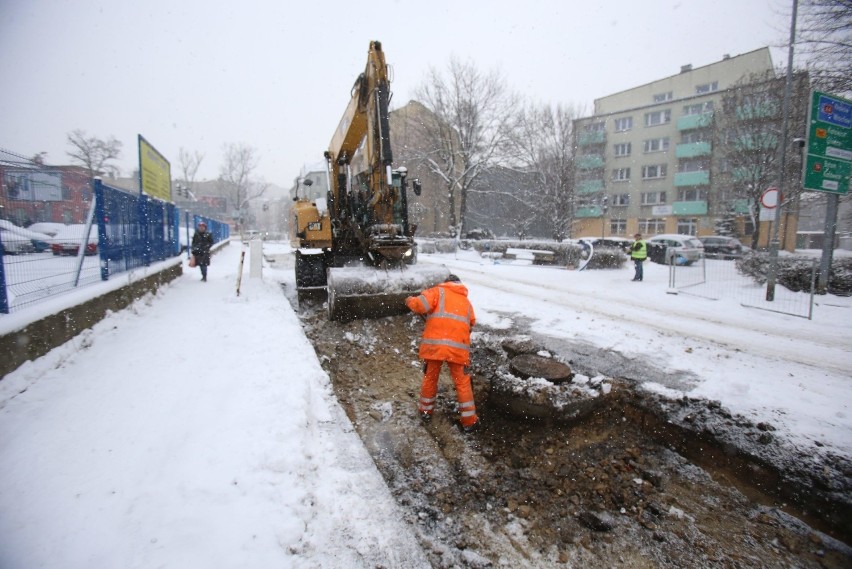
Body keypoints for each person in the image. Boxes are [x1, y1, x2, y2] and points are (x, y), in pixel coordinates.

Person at [405, 274, 479, 433]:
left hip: (435, 348)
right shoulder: (467, 303)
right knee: (462, 383)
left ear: (446, 283)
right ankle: (469, 421)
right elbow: (471, 324)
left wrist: (409, 300)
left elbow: (420, 305)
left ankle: (426, 412)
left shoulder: (437, 292)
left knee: (430, 378)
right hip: (458, 350)